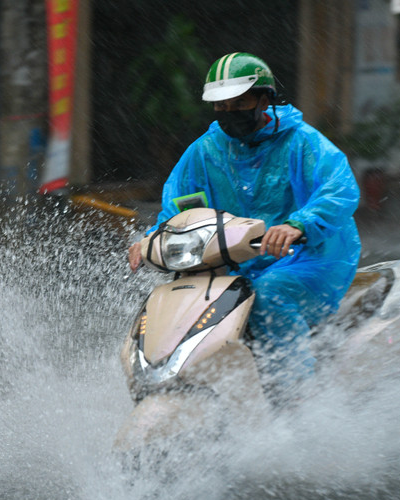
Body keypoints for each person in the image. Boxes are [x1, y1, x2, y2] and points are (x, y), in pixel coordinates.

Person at [128, 52, 361, 399]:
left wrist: (297, 225)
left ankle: (296, 400)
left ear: (264, 99)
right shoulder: (205, 151)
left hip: (309, 257)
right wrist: (150, 239)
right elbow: (176, 208)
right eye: (220, 106)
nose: (228, 112)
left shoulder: (302, 142)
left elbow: (339, 189)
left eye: (238, 103)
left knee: (268, 297)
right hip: (235, 262)